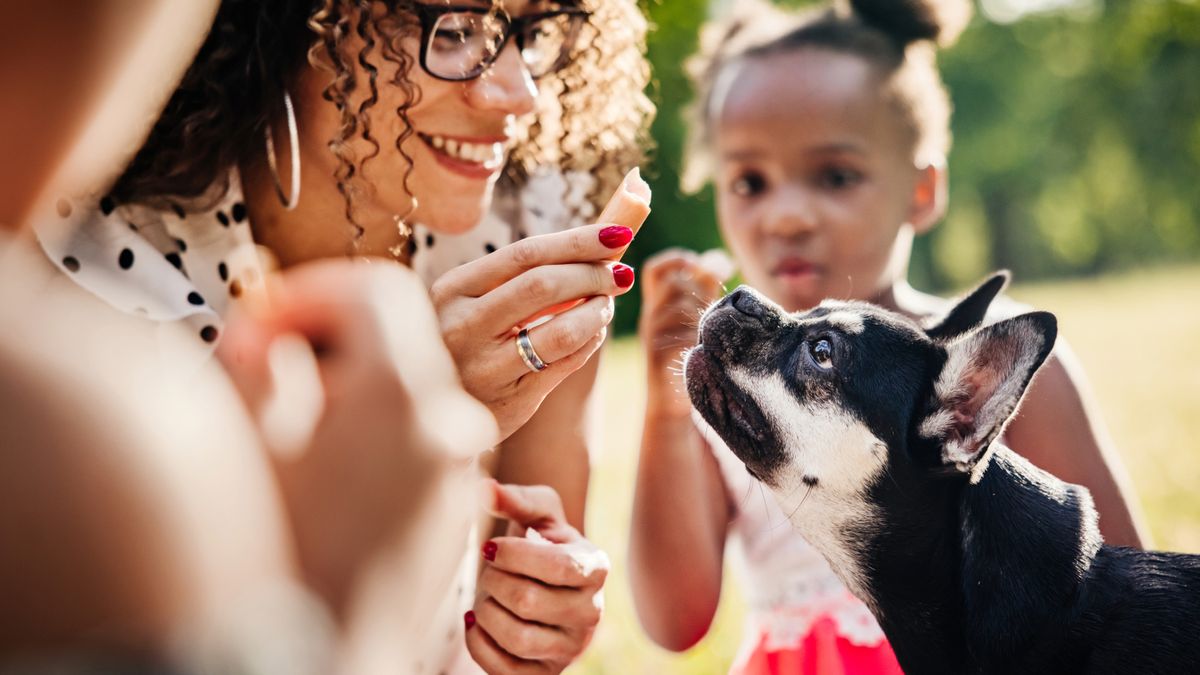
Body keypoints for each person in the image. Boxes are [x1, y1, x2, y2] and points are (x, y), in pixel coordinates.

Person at [29, 1, 654, 672]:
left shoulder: (531, 219)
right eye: (452, 29)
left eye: (530, 32)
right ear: (294, 28)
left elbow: (535, 582)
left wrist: (540, 609)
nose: (519, 91)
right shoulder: (86, 276)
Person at [629, 0, 1149, 673]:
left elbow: (1123, 589)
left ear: (923, 189)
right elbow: (673, 619)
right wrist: (669, 401)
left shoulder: (987, 375)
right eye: (749, 181)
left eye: (835, 175)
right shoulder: (732, 403)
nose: (785, 215)